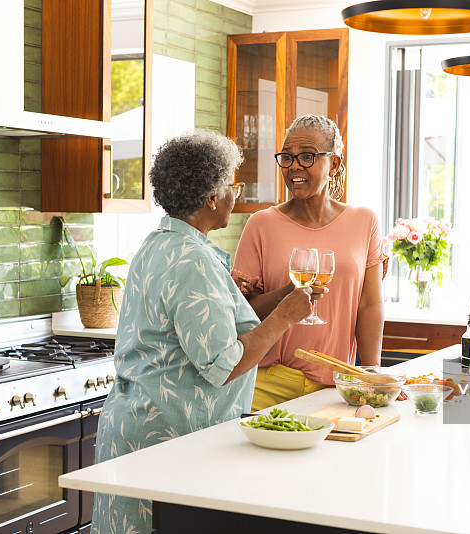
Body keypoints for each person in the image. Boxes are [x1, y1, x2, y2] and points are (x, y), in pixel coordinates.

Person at [91, 130, 312, 534]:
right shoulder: (194, 261)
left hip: (132, 426)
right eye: (232, 183)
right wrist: (285, 318)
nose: (235, 193)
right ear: (211, 196)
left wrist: (289, 296)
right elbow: (223, 364)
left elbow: (231, 319)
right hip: (167, 438)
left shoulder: (156, 245)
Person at [232, 114, 389, 411]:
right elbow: (243, 313)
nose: (294, 167)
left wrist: (370, 370)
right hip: (267, 382)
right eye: (287, 158)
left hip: (337, 386)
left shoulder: (365, 221)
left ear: (334, 164)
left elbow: (369, 304)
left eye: (307, 157)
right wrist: (287, 295)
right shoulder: (261, 224)